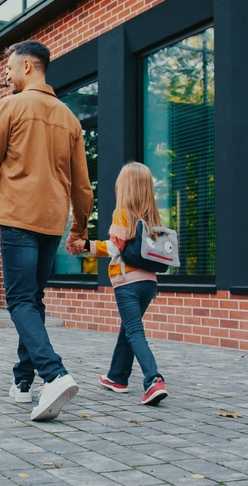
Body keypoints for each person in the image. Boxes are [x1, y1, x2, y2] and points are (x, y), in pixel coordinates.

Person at [0, 39, 93, 421]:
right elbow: (83, 185)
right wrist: (79, 228)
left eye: (11, 67)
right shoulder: (69, 117)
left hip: (19, 217)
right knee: (32, 299)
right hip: (53, 221)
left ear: (29, 68)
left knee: (19, 301)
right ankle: (22, 381)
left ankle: (54, 374)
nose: (6, 73)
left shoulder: (12, 106)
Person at [70, 162, 168, 406]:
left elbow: (115, 247)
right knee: (128, 329)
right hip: (148, 284)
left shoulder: (122, 213)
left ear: (124, 187)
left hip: (127, 283)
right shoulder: (152, 217)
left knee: (134, 331)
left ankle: (153, 380)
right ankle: (117, 377)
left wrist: (86, 246)